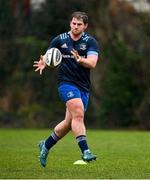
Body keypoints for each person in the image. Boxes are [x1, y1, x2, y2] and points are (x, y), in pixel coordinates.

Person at [33, 11, 100, 167]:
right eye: (73, 23)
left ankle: (46, 145)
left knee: (69, 123)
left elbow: (92, 63)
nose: (75, 27)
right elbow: (48, 55)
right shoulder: (59, 39)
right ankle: (86, 151)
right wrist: (45, 62)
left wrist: (80, 59)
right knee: (78, 113)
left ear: (85, 26)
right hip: (66, 83)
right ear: (70, 23)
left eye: (79, 24)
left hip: (83, 86)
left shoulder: (90, 42)